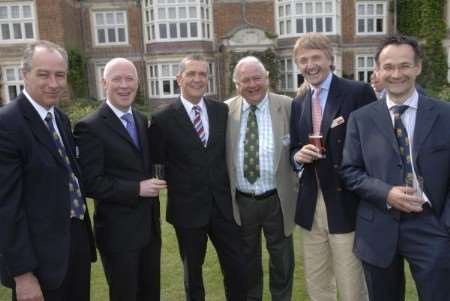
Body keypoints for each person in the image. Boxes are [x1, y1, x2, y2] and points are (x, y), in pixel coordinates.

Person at [341, 35, 450, 301]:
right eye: (388, 67)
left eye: (404, 65)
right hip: (377, 226)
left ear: (417, 67)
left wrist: (446, 224)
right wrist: (386, 193)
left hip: (432, 226)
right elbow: (349, 171)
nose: (396, 73)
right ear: (377, 71)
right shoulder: (361, 119)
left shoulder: (445, 115)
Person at [0, 40, 95, 301]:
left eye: (60, 75)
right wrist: (23, 275)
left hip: (74, 244)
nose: (53, 83)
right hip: (38, 258)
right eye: (43, 74)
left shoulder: (60, 119)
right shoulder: (7, 124)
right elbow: (6, 209)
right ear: (24, 74)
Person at [149, 54, 247, 301]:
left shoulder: (221, 111)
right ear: (179, 79)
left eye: (202, 74)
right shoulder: (162, 119)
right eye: (191, 74)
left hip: (223, 206)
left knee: (236, 268)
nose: (197, 79)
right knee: (193, 274)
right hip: (187, 210)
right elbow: (157, 162)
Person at [290, 32, 376, 301]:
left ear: (330, 58)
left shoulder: (357, 92)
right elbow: (293, 146)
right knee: (317, 283)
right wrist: (298, 156)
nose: (310, 65)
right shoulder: (299, 101)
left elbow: (375, 146)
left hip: (345, 202)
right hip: (310, 203)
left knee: (351, 284)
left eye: (316, 57)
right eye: (303, 60)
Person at [74, 58, 166, 301]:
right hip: (118, 235)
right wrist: (137, 188)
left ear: (138, 82)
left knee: (150, 295)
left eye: (130, 79)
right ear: (104, 83)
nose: (124, 85)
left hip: (149, 230)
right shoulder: (89, 127)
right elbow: (91, 183)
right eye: (117, 79)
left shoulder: (139, 119)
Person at [225, 56, 297, 301]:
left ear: (267, 78)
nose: (252, 84)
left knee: (282, 260)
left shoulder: (288, 106)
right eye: (246, 80)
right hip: (242, 201)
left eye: (257, 78)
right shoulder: (225, 111)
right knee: (247, 261)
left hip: (277, 198)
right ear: (237, 84)